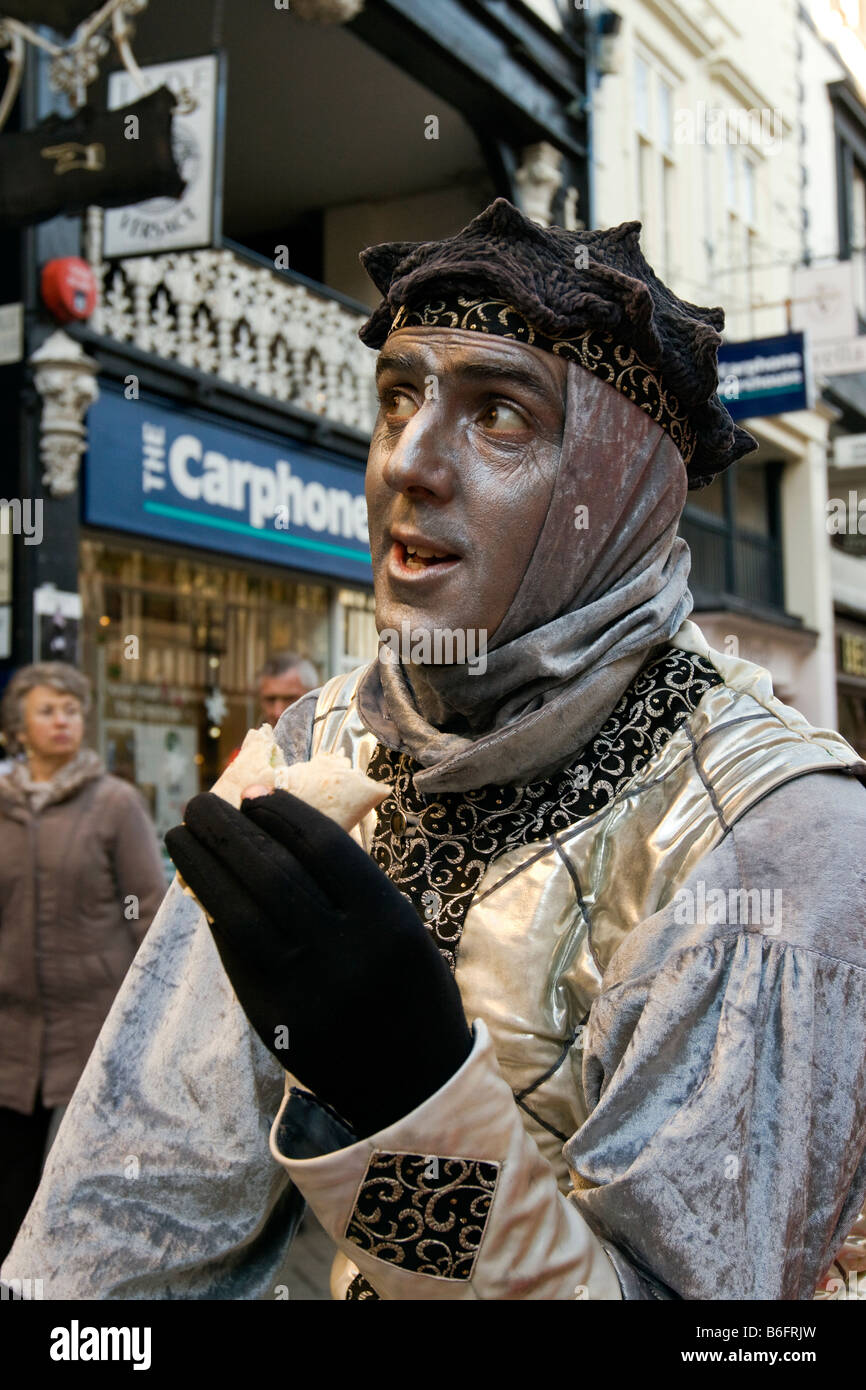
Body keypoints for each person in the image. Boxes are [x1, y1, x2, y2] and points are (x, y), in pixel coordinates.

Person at [4, 200, 866, 1301]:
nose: (407, 462)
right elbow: (129, 1210)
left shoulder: (784, 840)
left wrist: (408, 1104)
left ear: (620, 484)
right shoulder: (314, 744)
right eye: (398, 397)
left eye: (499, 413)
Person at [0, 662, 167, 1263]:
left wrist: (161, 1006)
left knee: (87, 1186)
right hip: (10, 1032)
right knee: (10, 1189)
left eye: (71, 709)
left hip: (94, 1025)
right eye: (47, 710)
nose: (62, 720)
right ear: (19, 726)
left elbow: (145, 908)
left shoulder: (114, 804)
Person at [256, 652, 318, 729]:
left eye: (289, 699)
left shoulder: (329, 738)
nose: (278, 712)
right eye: (270, 700)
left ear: (312, 697)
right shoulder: (252, 739)